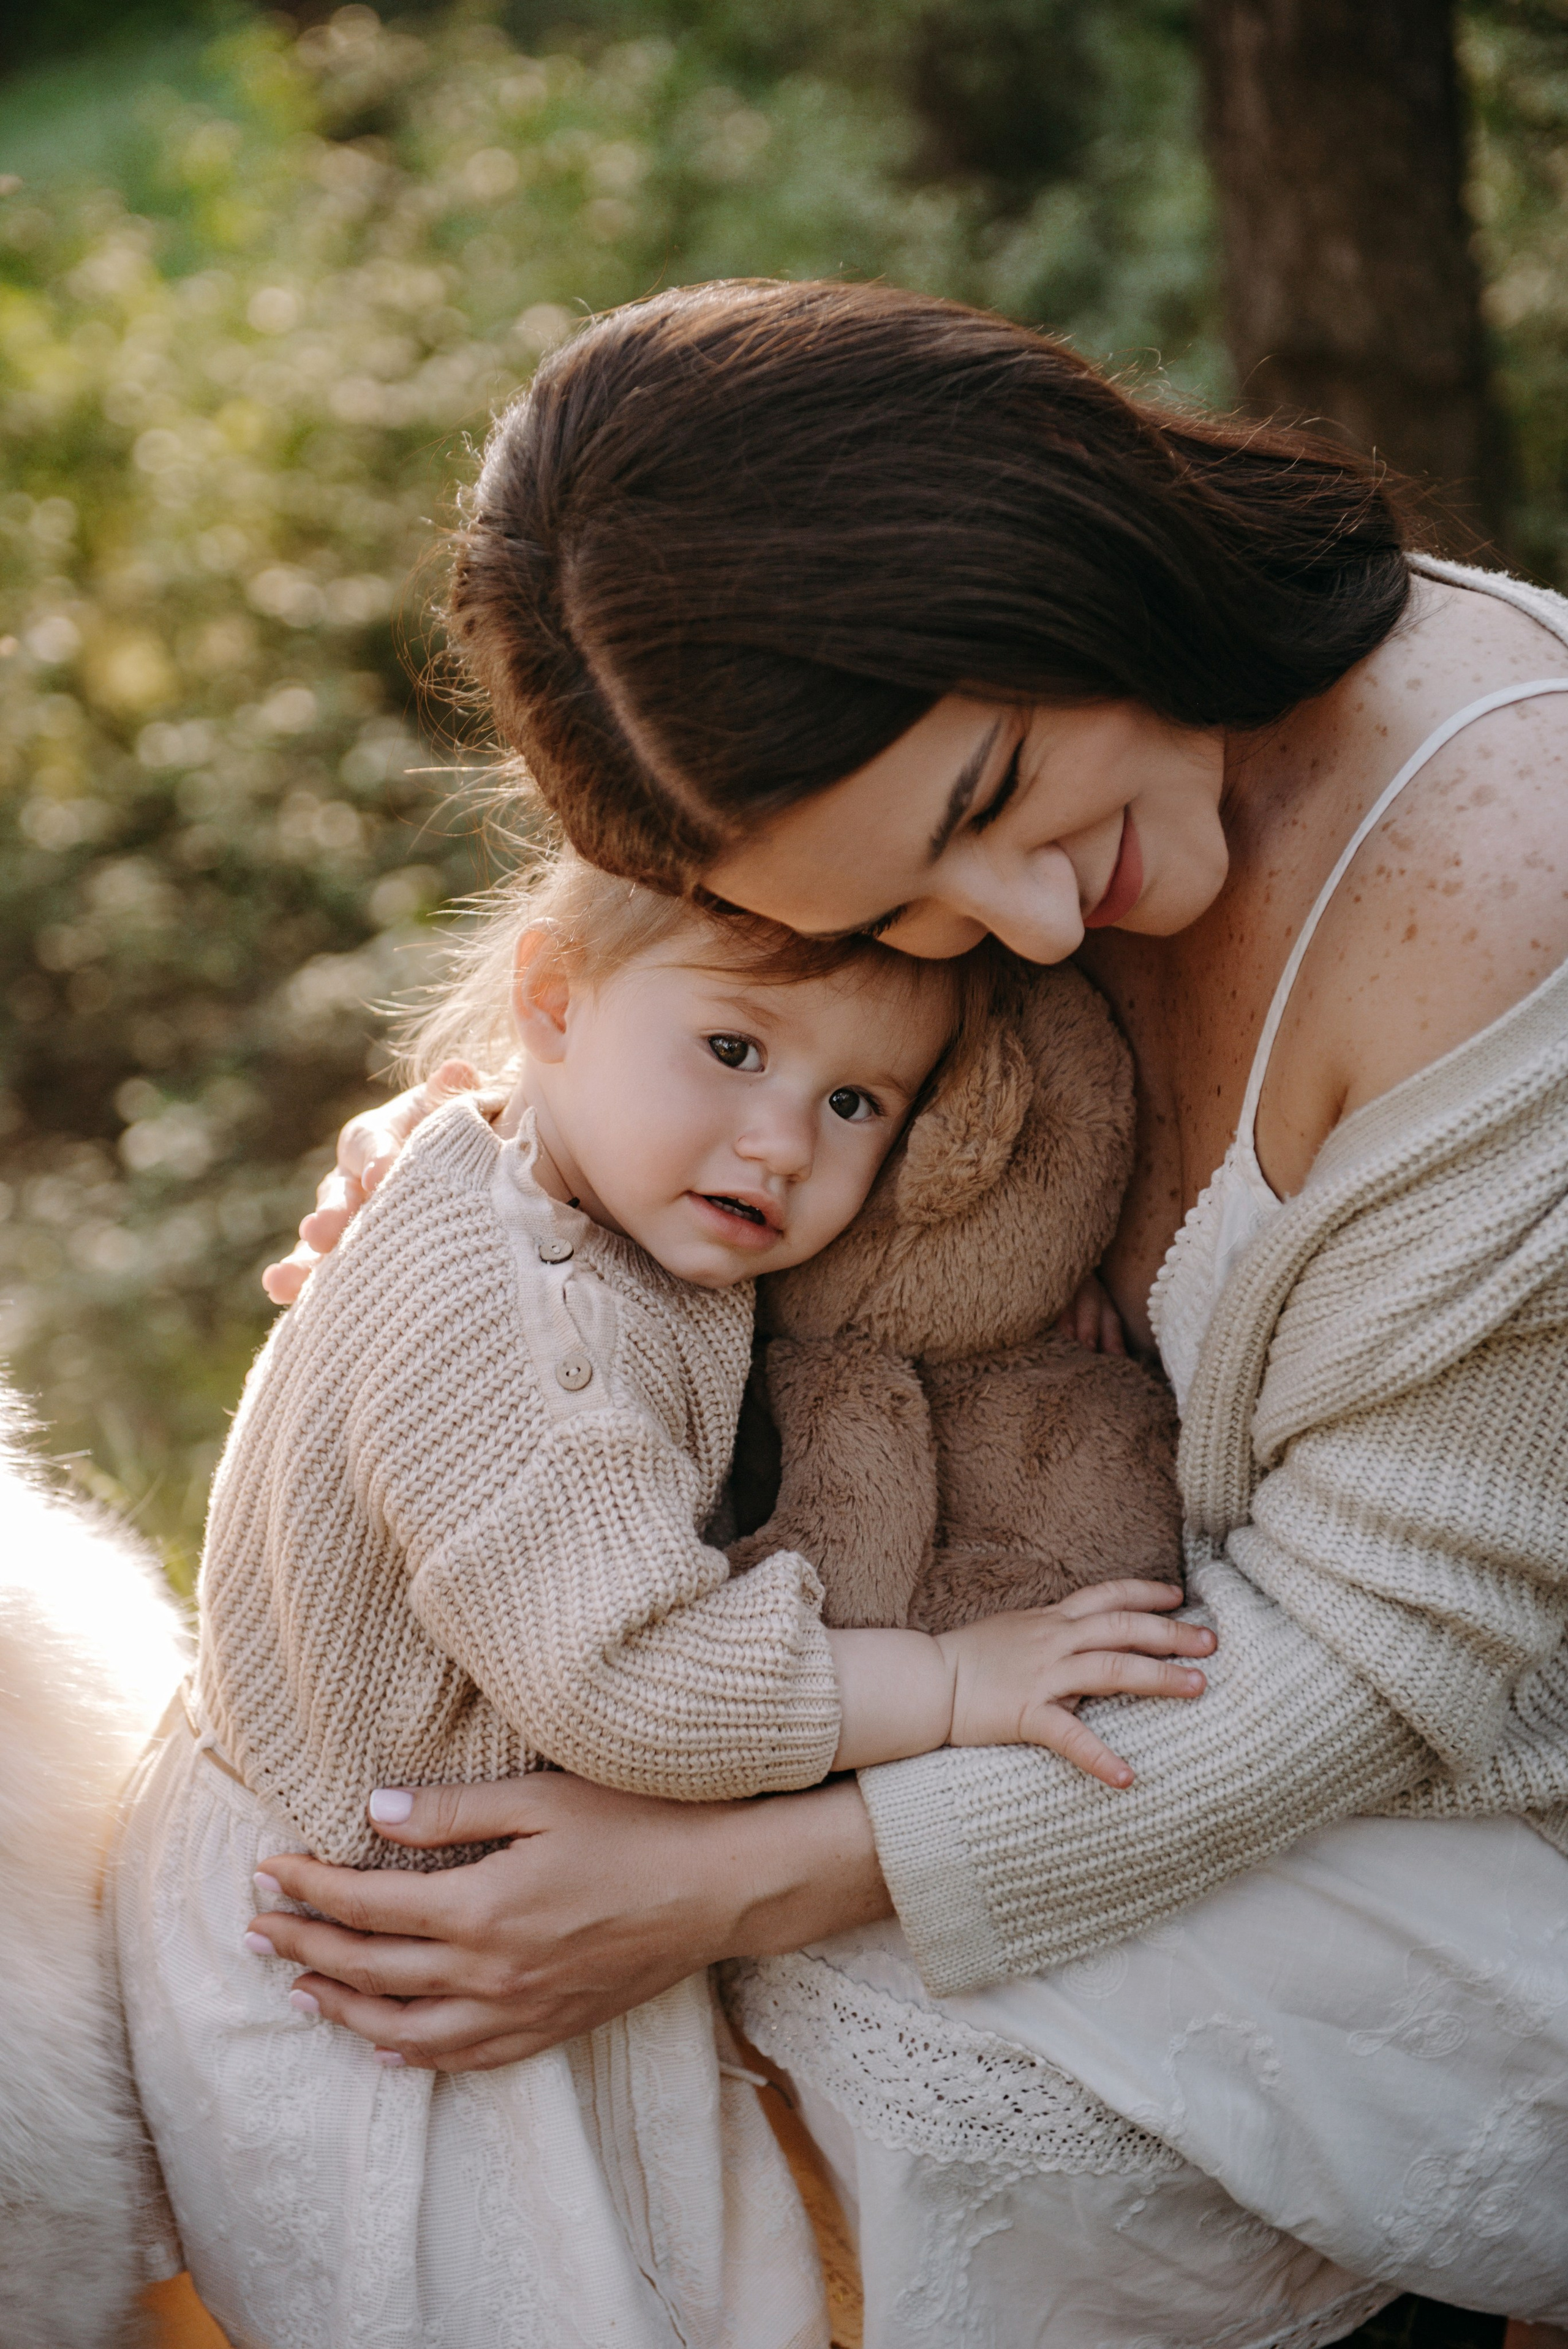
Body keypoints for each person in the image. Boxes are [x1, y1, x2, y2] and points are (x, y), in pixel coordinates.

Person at [251, 282, 1568, 2342]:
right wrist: (497, 1190)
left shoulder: (1513, 871)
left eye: (988, 801)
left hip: (1461, 1787)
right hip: (1093, 1673)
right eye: (909, 914)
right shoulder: (996, 828)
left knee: (817, 2028)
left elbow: (1399, 1651)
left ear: (1040, 541)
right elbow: (708, 1061)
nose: (1038, 927)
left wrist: (735, 1872)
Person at [113, 845, 1211, 2349]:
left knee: (700, 2285)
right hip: (359, 1943)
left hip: (491, 1864)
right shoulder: (497, 1303)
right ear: (553, 998)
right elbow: (637, 1681)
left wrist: (1012, 1301)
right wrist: (956, 1683)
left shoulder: (605, 1193)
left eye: (854, 1104)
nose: (778, 1144)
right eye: (734, 1050)